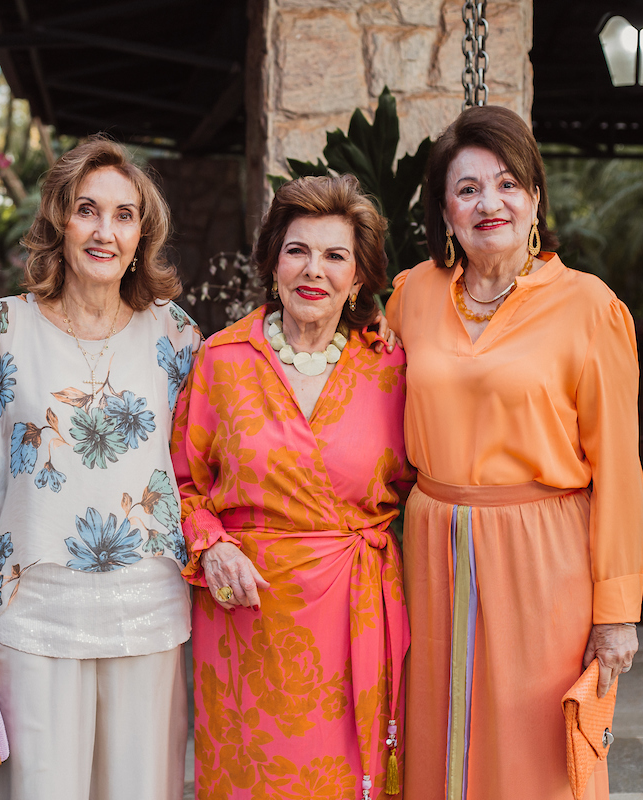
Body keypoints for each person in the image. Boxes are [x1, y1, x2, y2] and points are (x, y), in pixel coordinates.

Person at [385, 106, 643, 800]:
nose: (487, 202)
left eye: (506, 184)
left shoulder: (590, 307)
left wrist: (616, 611)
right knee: (435, 736)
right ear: (444, 210)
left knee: (535, 753)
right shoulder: (411, 294)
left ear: (534, 198)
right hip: (434, 547)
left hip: (543, 556)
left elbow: (619, 467)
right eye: (466, 188)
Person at [0, 137, 201, 800]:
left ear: (143, 235)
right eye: (88, 210)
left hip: (150, 613)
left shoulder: (177, 336)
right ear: (60, 220)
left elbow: (205, 471)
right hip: (33, 617)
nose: (105, 231)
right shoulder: (6, 326)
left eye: (123, 215)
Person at [171, 174, 412, 800]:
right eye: (297, 250)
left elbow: (428, 478)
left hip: (353, 614)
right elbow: (179, 482)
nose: (315, 270)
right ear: (273, 263)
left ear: (359, 278)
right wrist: (213, 546)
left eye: (336, 256)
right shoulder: (221, 360)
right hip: (246, 615)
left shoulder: (390, 367)